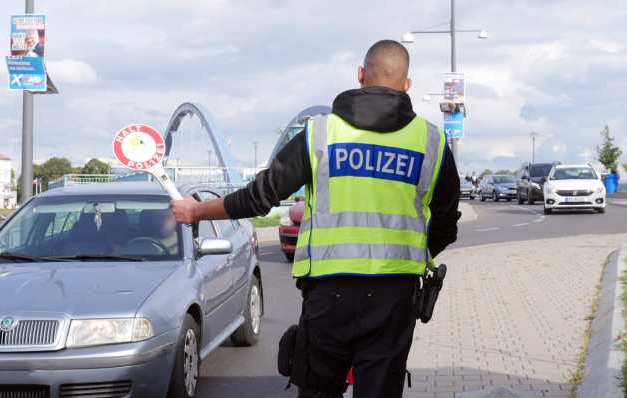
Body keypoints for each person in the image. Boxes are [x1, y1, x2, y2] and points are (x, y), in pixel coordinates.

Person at [171, 39, 460, 398]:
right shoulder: (430, 142)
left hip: (329, 295)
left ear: (360, 75)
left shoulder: (320, 133)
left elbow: (261, 197)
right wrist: (410, 254)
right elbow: (447, 224)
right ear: (407, 85)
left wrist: (197, 210)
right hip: (394, 296)